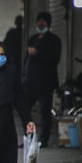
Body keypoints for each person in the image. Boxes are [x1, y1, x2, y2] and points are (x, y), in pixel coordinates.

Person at [22, 12, 61, 147]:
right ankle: (29, 136)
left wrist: (38, 54)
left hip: (45, 83)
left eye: (43, 21)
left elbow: (55, 59)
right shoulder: (32, 39)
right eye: (39, 21)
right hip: (30, 82)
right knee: (24, 109)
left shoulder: (54, 40)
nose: (40, 24)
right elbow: (27, 59)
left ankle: (44, 139)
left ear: (48, 24)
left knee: (45, 111)